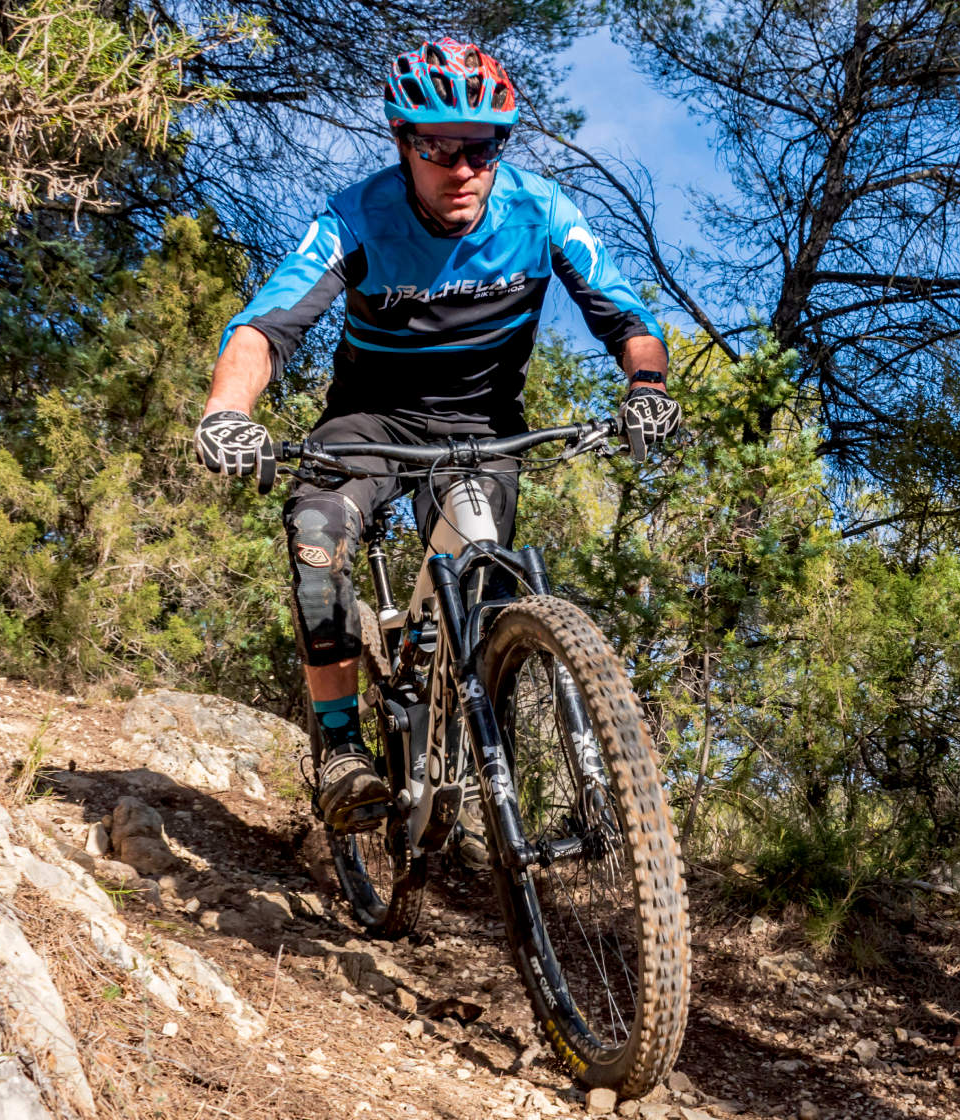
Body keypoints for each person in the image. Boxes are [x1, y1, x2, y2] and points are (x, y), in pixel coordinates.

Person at [191, 38, 680, 833]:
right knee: (319, 540)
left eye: (481, 147)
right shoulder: (356, 217)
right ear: (402, 142)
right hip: (369, 422)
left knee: (483, 598)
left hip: (483, 427)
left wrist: (647, 387)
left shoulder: (542, 210)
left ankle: (474, 771)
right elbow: (264, 328)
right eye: (438, 147)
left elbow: (627, 315)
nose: (462, 168)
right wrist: (227, 411)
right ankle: (342, 748)